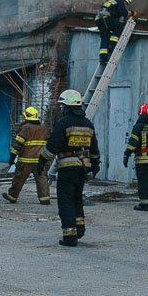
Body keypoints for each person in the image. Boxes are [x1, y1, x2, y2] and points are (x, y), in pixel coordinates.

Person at [40, 89, 99, 247]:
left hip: (67, 168)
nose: (61, 109)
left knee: (65, 201)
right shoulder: (88, 124)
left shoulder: (64, 123)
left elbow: (52, 147)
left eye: (62, 106)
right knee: (77, 199)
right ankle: (79, 228)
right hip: (82, 169)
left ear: (68, 107)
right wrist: (95, 166)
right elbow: (94, 150)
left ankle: (70, 236)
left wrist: (41, 162)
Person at [1, 106, 50, 205]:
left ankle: (12, 196)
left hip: (25, 160)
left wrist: (12, 157)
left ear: (27, 117)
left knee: (19, 179)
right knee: (42, 179)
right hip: (40, 160)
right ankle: (44, 198)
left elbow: (17, 144)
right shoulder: (44, 129)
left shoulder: (25, 128)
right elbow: (49, 144)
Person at [94, 0, 133, 64]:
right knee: (119, 26)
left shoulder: (113, 1)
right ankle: (112, 45)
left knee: (105, 38)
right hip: (105, 18)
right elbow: (124, 13)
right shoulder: (119, 1)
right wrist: (132, 13)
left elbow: (115, 13)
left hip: (99, 19)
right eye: (126, 3)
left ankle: (103, 59)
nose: (126, 5)